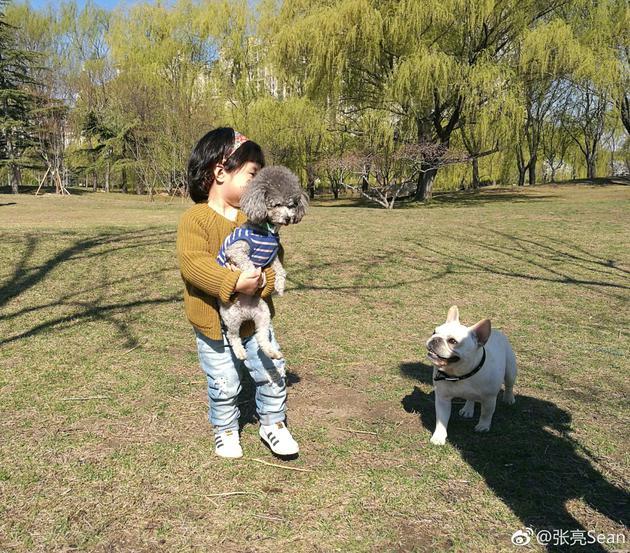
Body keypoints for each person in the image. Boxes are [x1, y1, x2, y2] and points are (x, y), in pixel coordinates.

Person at [176, 127, 299, 459]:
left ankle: (273, 423)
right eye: (252, 175)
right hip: (212, 323)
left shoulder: (257, 220)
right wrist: (232, 283)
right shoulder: (195, 220)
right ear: (220, 172)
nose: (258, 184)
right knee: (224, 380)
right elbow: (193, 264)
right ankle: (226, 429)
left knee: (273, 370)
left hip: (255, 317)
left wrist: (262, 283)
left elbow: (275, 260)